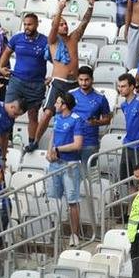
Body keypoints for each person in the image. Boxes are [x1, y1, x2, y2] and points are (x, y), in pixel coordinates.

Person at [47, 90, 85, 246]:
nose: (55, 104)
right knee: (54, 199)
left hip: (70, 165)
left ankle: (74, 234)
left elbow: (77, 144)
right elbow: (53, 137)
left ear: (64, 105)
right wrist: (50, 151)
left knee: (72, 200)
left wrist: (58, 150)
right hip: (54, 164)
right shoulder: (56, 118)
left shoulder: (76, 120)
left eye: (57, 102)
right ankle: (53, 232)